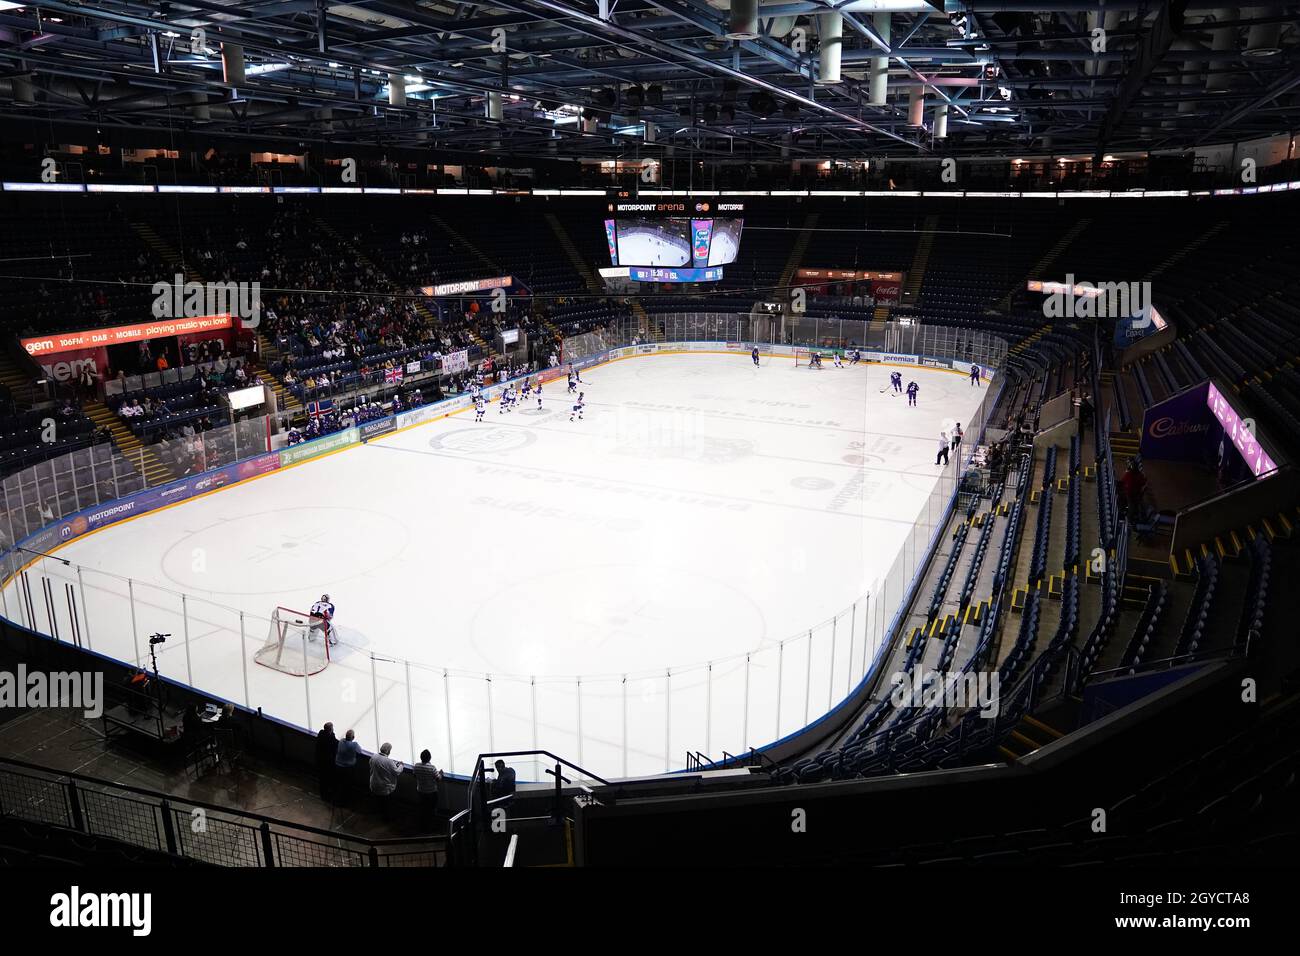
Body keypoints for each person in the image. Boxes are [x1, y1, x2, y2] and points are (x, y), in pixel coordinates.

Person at [368, 742, 404, 821]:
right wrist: (401, 765)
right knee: (386, 804)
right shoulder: (389, 761)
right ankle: (386, 818)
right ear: (388, 751)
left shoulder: (373, 757)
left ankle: (377, 812)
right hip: (384, 788)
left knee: (378, 801)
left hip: (373, 784)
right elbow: (396, 772)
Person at [413, 750, 444, 832]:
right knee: (432, 809)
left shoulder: (416, 766)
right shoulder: (432, 768)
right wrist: (441, 774)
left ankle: (423, 825)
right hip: (431, 792)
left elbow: (415, 775)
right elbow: (438, 779)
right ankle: (431, 826)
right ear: (429, 758)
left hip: (421, 791)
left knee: (423, 808)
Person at [334, 728, 361, 805]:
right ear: (353, 737)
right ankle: (344, 801)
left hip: (338, 765)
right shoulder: (354, 745)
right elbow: (359, 751)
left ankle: (337, 799)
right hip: (347, 768)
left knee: (339, 783)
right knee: (346, 784)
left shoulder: (341, 741)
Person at [314, 722, 338, 801]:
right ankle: (326, 795)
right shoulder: (330, 738)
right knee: (327, 779)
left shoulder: (321, 733)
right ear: (330, 729)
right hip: (327, 763)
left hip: (320, 761)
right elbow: (334, 745)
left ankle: (323, 793)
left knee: (322, 779)